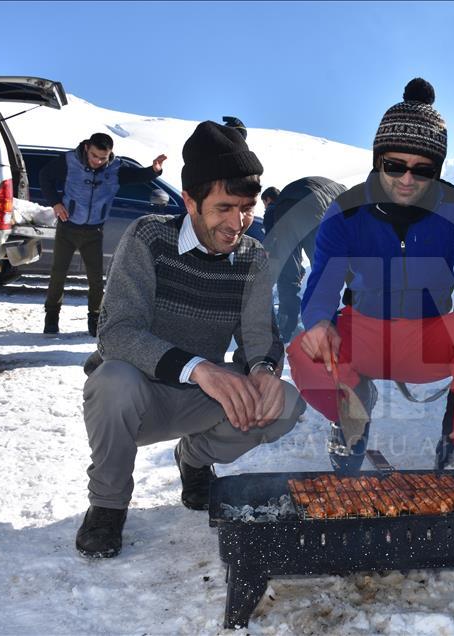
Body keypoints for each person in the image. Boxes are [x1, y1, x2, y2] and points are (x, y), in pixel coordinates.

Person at [74, 121, 304, 559]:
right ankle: (107, 504)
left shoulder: (252, 256)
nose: (238, 223)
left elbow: (260, 335)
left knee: (285, 403)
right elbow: (117, 332)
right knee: (113, 379)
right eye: (224, 208)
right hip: (139, 399)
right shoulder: (149, 237)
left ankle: (195, 458)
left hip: (200, 401)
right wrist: (200, 368)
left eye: (247, 207)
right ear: (190, 202)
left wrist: (262, 370)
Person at [288, 78, 454, 474]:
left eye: (422, 169)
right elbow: (323, 281)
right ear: (377, 159)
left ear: (437, 169)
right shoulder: (347, 208)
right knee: (304, 351)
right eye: (394, 165)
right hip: (366, 331)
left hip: (431, 334)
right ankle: (351, 416)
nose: (407, 179)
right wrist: (319, 322)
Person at [39, 133, 167, 336]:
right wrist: (55, 202)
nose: (98, 161)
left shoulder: (115, 169)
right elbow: (44, 175)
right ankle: (51, 318)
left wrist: (153, 170)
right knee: (58, 274)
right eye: (94, 156)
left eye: (103, 158)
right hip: (67, 227)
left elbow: (138, 176)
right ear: (87, 148)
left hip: (94, 231)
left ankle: (94, 320)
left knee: (96, 279)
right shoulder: (69, 161)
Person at [263, 177, 346, 341]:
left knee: (288, 275)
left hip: (286, 208)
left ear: (267, 200)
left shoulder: (345, 196)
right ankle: (327, 323)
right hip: (312, 207)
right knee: (323, 269)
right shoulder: (341, 194)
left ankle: (287, 327)